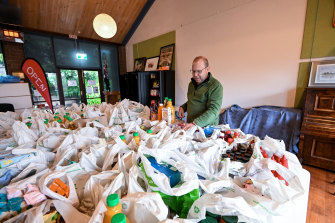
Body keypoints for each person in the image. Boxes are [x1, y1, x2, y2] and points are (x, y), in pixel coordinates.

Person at [179, 56, 223, 130]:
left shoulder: (215, 86)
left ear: (207, 69)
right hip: (191, 125)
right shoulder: (191, 84)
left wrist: (195, 123)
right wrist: (183, 107)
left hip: (207, 129)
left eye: (199, 71)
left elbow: (214, 110)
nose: (195, 75)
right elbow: (193, 100)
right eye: (193, 71)